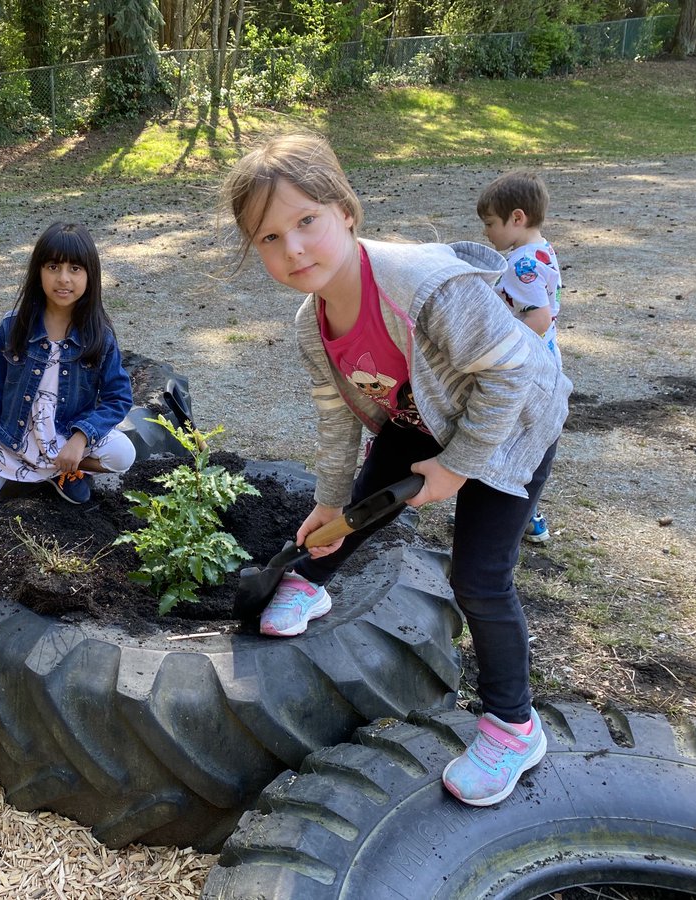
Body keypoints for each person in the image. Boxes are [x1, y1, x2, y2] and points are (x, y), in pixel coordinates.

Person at [221, 133, 572, 807]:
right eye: (267, 238)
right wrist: (328, 501)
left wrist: (456, 468)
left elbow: (516, 373)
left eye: (305, 222)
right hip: (419, 418)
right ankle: (310, 580)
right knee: (358, 502)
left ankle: (513, 725)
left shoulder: (425, 288)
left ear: (344, 211)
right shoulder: (311, 323)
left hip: (512, 426)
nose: (292, 249)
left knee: (479, 576)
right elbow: (337, 417)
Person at [0, 222, 137, 635]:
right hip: (10, 445)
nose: (64, 278)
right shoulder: (15, 327)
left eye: (75, 268)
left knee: (124, 454)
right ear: (38, 272)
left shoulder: (98, 336)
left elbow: (118, 398)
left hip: (62, 445)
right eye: (53, 266)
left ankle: (67, 471)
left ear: (91, 276)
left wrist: (81, 437)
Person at [478, 170, 563, 544]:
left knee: (511, 446)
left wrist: (503, 343)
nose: (486, 232)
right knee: (524, 447)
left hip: (526, 372)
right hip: (544, 364)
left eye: (490, 224)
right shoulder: (540, 250)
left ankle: (520, 516)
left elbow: (539, 318)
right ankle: (526, 515)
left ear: (517, 218)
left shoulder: (521, 265)